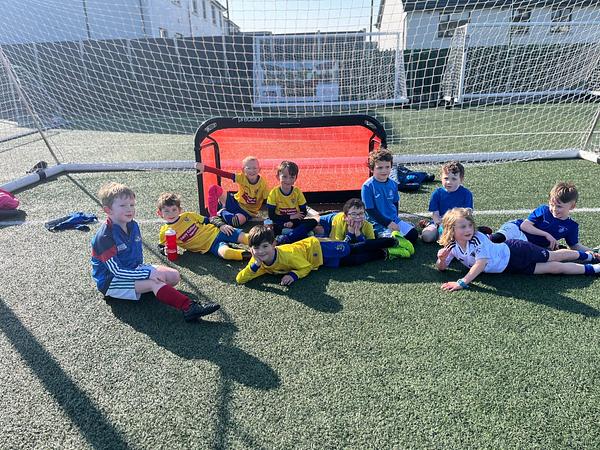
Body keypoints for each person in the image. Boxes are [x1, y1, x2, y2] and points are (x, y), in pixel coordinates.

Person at [91, 182, 220, 321]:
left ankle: (150, 289)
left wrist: (144, 272)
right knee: (154, 282)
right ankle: (188, 308)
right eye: (123, 206)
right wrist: (147, 274)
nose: (129, 209)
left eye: (132, 205)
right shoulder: (104, 237)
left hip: (133, 268)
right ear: (108, 210)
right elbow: (117, 271)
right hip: (112, 280)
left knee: (174, 276)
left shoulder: (133, 225)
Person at [435, 208, 600, 292]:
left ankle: (588, 256)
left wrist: (462, 282)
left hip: (516, 250)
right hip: (510, 267)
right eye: (463, 226)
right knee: (553, 268)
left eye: (470, 225)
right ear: (451, 230)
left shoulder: (478, 238)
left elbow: (480, 264)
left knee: (552, 256)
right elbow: (442, 267)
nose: (468, 229)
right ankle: (594, 269)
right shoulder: (451, 246)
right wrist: (441, 259)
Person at [489, 182, 597, 252]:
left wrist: (592, 252)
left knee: (501, 252)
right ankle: (481, 236)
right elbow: (524, 226)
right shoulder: (544, 210)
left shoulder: (571, 226)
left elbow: (574, 246)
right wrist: (547, 235)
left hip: (528, 244)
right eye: (552, 204)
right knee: (496, 239)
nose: (554, 209)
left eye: (559, 206)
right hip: (516, 229)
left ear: (572, 206)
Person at [156, 192, 250, 261]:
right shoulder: (165, 232)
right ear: (160, 213)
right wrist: (164, 251)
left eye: (174, 209)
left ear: (180, 210)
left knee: (247, 238)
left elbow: (209, 219)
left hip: (218, 232)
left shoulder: (189, 215)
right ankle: (252, 255)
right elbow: (161, 246)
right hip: (211, 246)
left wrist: (222, 225)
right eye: (166, 211)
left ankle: (259, 242)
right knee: (226, 253)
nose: (171, 214)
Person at [316, 197, 415, 259]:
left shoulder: (367, 225)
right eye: (354, 214)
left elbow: (370, 245)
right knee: (316, 230)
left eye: (361, 214)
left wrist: (358, 234)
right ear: (346, 217)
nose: (358, 217)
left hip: (349, 239)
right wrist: (350, 233)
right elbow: (338, 246)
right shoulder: (339, 220)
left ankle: (397, 242)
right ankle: (393, 244)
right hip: (327, 223)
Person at [361, 149, 418, 245]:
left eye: (387, 167)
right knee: (391, 241)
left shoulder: (393, 184)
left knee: (413, 235)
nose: (384, 170)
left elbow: (395, 202)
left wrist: (395, 220)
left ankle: (398, 239)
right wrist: (387, 223)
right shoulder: (367, 186)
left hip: (393, 221)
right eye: (380, 168)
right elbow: (369, 210)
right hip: (377, 224)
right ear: (372, 169)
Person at [196, 156, 269, 226]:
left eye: (255, 168)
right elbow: (223, 174)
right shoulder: (241, 177)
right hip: (234, 202)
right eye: (248, 168)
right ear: (243, 170)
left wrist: (271, 217)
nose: (252, 170)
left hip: (247, 212)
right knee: (214, 188)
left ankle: (222, 211)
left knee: (236, 221)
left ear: (259, 169)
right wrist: (205, 168)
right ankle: (213, 217)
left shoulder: (263, 184)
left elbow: (268, 200)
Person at [266, 160, 318, 245]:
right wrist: (290, 217)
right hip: (280, 221)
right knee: (269, 227)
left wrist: (293, 222)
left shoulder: (297, 192)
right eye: (284, 176)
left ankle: (285, 237)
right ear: (277, 176)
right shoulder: (273, 193)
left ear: (296, 178)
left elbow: (303, 212)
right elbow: (272, 216)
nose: (288, 180)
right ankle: (299, 234)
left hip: (295, 221)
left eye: (292, 177)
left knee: (313, 222)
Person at [421, 161, 474, 243]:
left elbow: (468, 213)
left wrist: (457, 224)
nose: (449, 182)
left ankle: (480, 231)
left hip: (460, 224)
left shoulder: (466, 193)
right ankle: (428, 225)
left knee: (465, 238)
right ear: (441, 177)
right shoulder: (437, 193)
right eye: (446, 178)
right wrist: (440, 225)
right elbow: (435, 214)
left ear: (461, 180)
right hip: (440, 222)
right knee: (427, 236)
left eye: (454, 179)